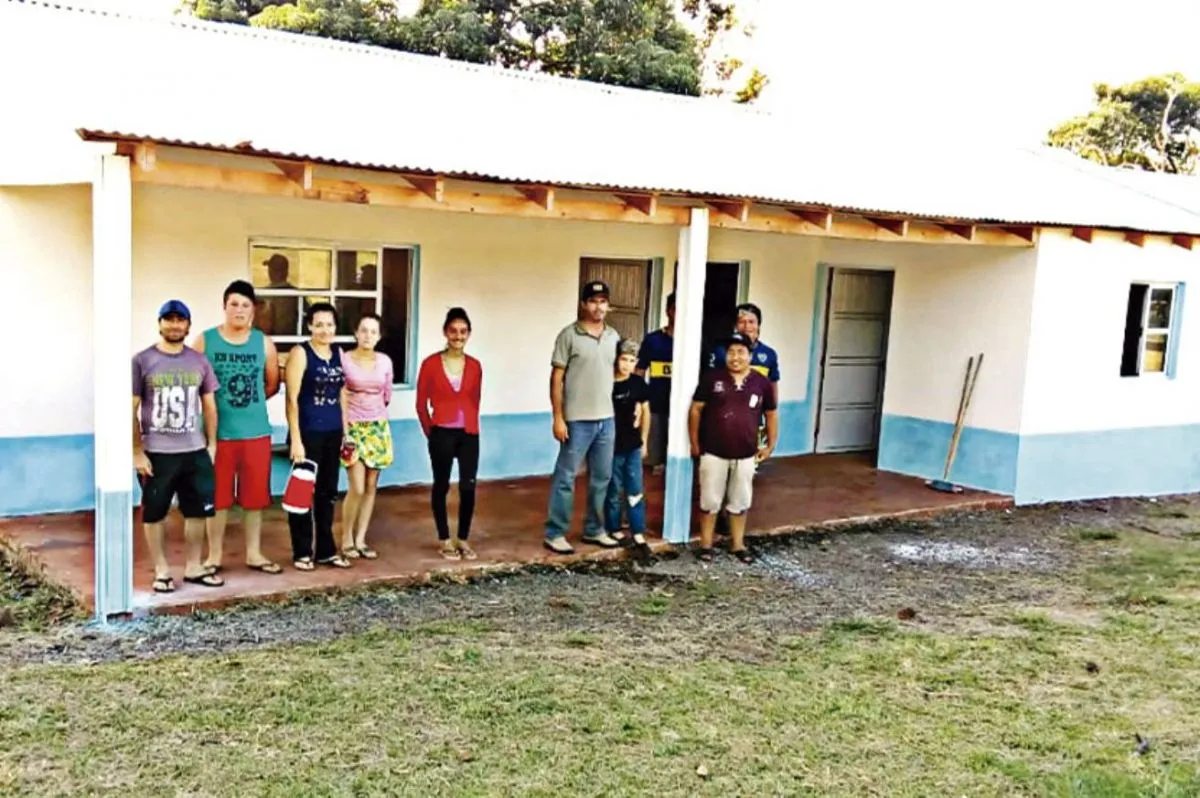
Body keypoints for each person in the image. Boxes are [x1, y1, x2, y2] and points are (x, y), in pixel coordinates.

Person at [132, 300, 224, 592]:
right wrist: (136, 450)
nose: (174, 325)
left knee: (197, 511)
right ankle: (161, 570)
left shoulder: (199, 361)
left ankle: (194, 567)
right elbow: (130, 408)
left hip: (193, 449)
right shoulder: (142, 361)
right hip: (157, 452)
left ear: (188, 325)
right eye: (168, 320)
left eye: (180, 320)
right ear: (160, 323)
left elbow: (209, 406)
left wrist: (211, 444)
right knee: (155, 512)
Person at [193, 280, 283, 576]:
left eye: (245, 305)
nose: (239, 310)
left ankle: (254, 553)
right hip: (217, 435)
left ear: (253, 310)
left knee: (254, 498)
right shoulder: (205, 341)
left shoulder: (263, 343)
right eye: (234, 304)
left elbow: (271, 384)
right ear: (224, 307)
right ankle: (214, 556)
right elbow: (194, 384)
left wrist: (248, 404)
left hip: (255, 433)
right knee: (217, 498)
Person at [544, 281, 622, 555]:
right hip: (576, 421)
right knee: (566, 477)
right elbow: (557, 379)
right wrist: (558, 417)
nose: (598, 306)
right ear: (583, 304)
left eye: (603, 301)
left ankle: (594, 529)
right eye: (593, 301)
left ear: (608, 305)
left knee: (602, 477)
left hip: (606, 420)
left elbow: (619, 374)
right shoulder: (569, 335)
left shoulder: (614, 336)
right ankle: (555, 532)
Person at [689, 332, 778, 564]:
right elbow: (696, 410)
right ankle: (706, 546)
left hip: (746, 453)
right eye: (731, 352)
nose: (735, 357)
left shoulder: (762, 383)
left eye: (740, 352)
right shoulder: (712, 379)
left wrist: (770, 445)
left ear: (750, 355)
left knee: (740, 502)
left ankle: (738, 545)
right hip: (713, 452)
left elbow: (771, 414)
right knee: (709, 502)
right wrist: (695, 443)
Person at [284, 301, 351, 570]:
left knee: (327, 494)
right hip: (307, 433)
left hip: (333, 432)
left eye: (330, 324)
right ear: (310, 325)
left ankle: (325, 550)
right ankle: (302, 552)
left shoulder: (338, 353)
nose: (325, 330)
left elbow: (342, 393)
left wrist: (346, 432)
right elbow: (291, 399)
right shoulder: (301, 352)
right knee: (301, 495)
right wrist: (297, 440)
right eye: (319, 324)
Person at [416, 307, 483, 560]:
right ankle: (444, 539)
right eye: (453, 331)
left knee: (468, 486)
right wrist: (430, 432)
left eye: (463, 331)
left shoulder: (475, 366)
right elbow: (421, 403)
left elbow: (475, 400)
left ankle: (463, 538)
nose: (458, 336)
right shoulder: (431, 364)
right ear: (446, 332)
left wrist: (471, 427)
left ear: (469, 334)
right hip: (441, 432)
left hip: (469, 434)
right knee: (441, 485)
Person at [339, 313, 394, 560]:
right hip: (353, 428)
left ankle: (361, 539)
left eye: (373, 331)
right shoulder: (344, 359)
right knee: (357, 487)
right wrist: (345, 431)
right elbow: (341, 396)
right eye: (363, 330)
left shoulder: (385, 362)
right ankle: (346, 538)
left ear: (379, 336)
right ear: (355, 333)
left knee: (371, 486)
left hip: (378, 428)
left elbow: (387, 394)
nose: (368, 336)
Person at [607, 339, 652, 557]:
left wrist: (644, 440)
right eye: (623, 359)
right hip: (611, 447)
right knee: (613, 489)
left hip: (632, 445)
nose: (626, 364)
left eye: (631, 360)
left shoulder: (638, 384)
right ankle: (614, 528)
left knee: (635, 489)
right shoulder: (607, 383)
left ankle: (638, 531)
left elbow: (646, 413)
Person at [636, 291, 675, 475]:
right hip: (656, 405)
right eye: (676, 309)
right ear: (668, 311)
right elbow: (639, 372)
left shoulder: (695, 341)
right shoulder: (653, 340)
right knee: (653, 463)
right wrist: (638, 401)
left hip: (684, 408)